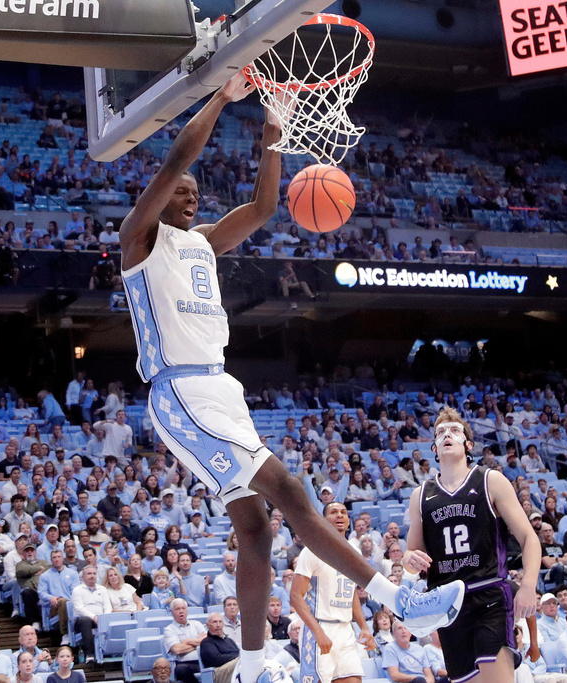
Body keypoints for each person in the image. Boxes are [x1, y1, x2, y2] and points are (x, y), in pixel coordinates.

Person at [117, 70, 462, 683]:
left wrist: (273, 128)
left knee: (257, 528)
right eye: (182, 193)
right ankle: (399, 600)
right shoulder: (139, 240)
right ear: (159, 197)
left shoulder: (201, 243)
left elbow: (266, 207)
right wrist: (222, 98)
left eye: (197, 194)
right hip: (180, 392)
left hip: (221, 390)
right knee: (295, 494)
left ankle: (250, 667)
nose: (191, 198)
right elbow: (175, 159)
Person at [403, 407, 541, 683]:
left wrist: (527, 586)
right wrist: (410, 559)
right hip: (447, 604)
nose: (447, 435)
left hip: (489, 594)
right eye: (440, 432)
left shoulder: (491, 480)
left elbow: (529, 538)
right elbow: (410, 553)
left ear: (468, 444)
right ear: (434, 447)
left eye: (454, 430)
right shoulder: (421, 495)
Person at [290, 501, 375, 683]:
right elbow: (296, 597)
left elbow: (351, 591)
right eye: (334, 512)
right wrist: (318, 632)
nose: (339, 515)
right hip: (320, 626)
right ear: (323, 519)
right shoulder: (312, 550)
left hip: (345, 629)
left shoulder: (354, 551)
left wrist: (364, 627)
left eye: (343, 512)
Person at [71, 565, 111, 663]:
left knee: (113, 619)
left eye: (94, 573)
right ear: (83, 576)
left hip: (100, 619)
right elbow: (79, 608)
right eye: (89, 574)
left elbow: (108, 606)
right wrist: (94, 617)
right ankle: (89, 653)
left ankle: (110, 651)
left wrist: (104, 617)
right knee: (85, 621)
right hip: (82, 620)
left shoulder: (103, 589)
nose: (92, 576)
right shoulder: (77, 590)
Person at [165, 599, 206, 683]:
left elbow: (206, 642)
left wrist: (187, 641)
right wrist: (197, 643)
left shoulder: (197, 624)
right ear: (172, 612)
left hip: (203, 660)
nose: (181, 611)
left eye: (183, 608)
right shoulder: (169, 629)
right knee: (182, 670)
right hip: (184, 663)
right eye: (177, 609)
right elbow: (177, 650)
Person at [200, 612, 239, 683]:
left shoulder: (229, 640)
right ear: (208, 625)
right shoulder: (206, 642)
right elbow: (216, 659)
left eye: (220, 622)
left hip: (234, 668)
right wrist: (236, 658)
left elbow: (238, 654)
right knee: (239, 662)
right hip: (218, 672)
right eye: (214, 622)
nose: (218, 625)